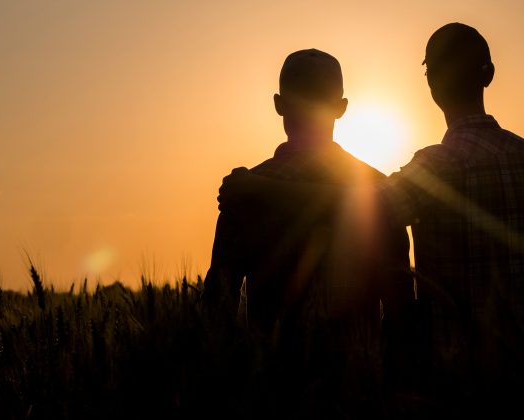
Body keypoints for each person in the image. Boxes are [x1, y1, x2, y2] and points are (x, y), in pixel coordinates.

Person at [218, 23, 524, 417]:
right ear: (489, 74)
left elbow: (218, 305)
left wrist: (259, 189)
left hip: (451, 381)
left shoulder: (435, 169)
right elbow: (398, 304)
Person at [203, 49, 412, 418]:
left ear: (279, 105)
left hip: (272, 395)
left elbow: (217, 306)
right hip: (357, 397)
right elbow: (401, 311)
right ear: (342, 107)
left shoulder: (244, 194)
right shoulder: (377, 193)